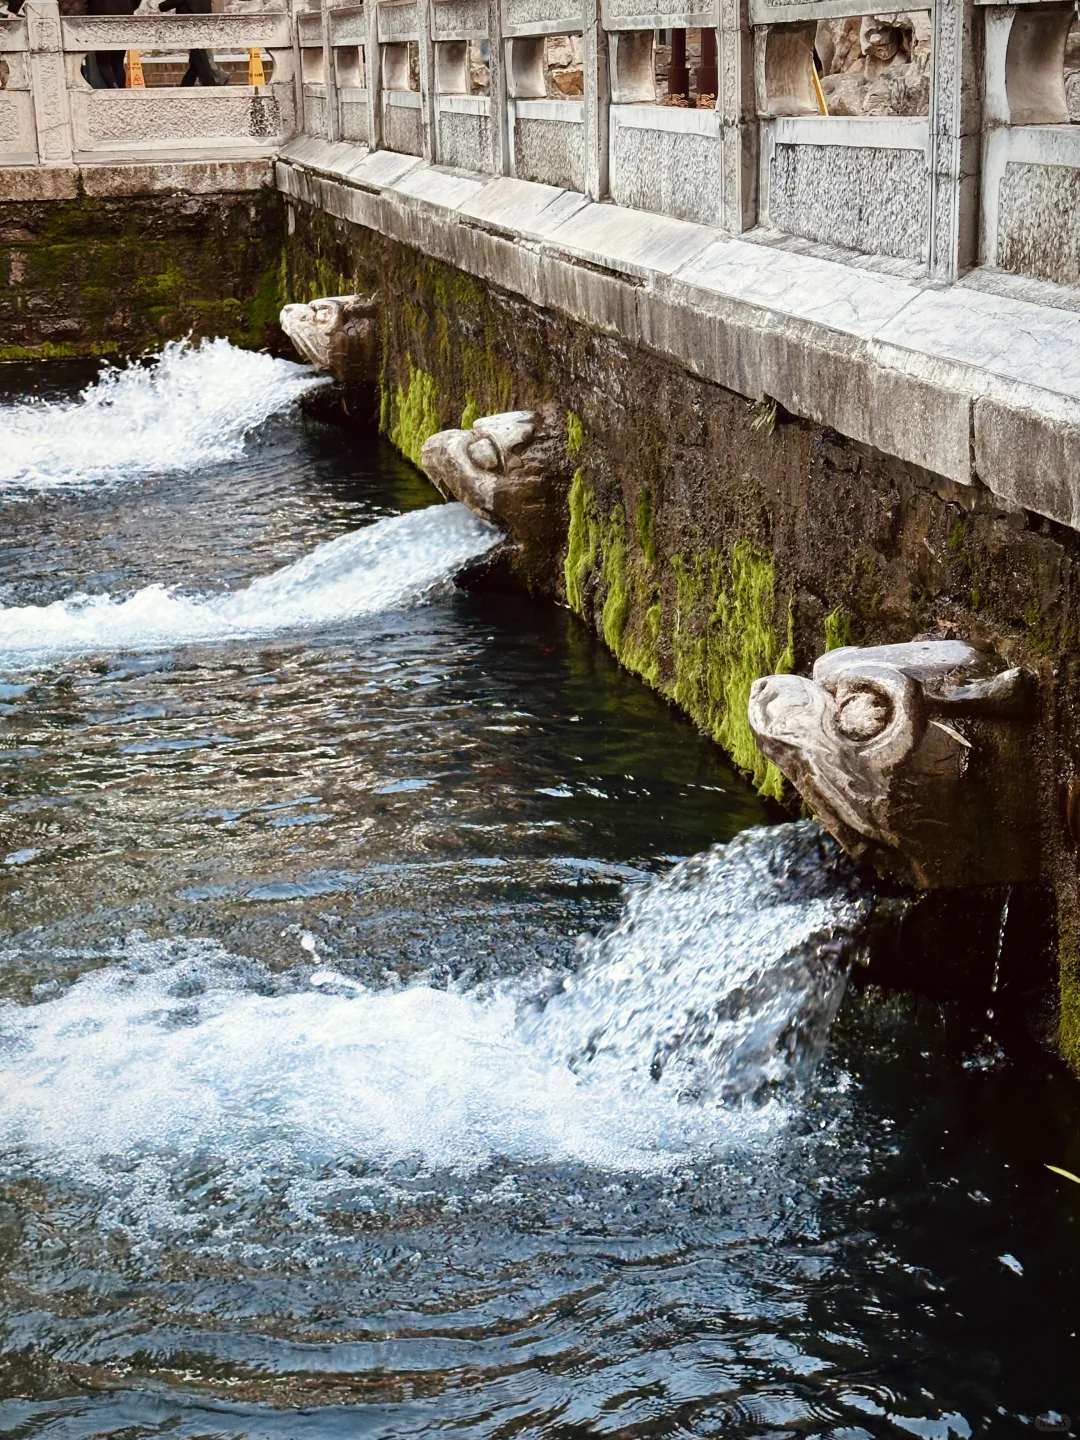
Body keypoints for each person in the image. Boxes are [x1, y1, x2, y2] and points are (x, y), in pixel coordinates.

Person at [157, 0, 226, 86]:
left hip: (192, 24)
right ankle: (186, 84)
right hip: (202, 21)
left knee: (199, 55)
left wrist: (162, 6)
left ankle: (209, 84)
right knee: (196, 56)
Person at [88, 0, 140, 89]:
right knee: (118, 62)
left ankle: (113, 87)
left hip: (102, 17)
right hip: (124, 16)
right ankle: (121, 89)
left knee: (103, 63)